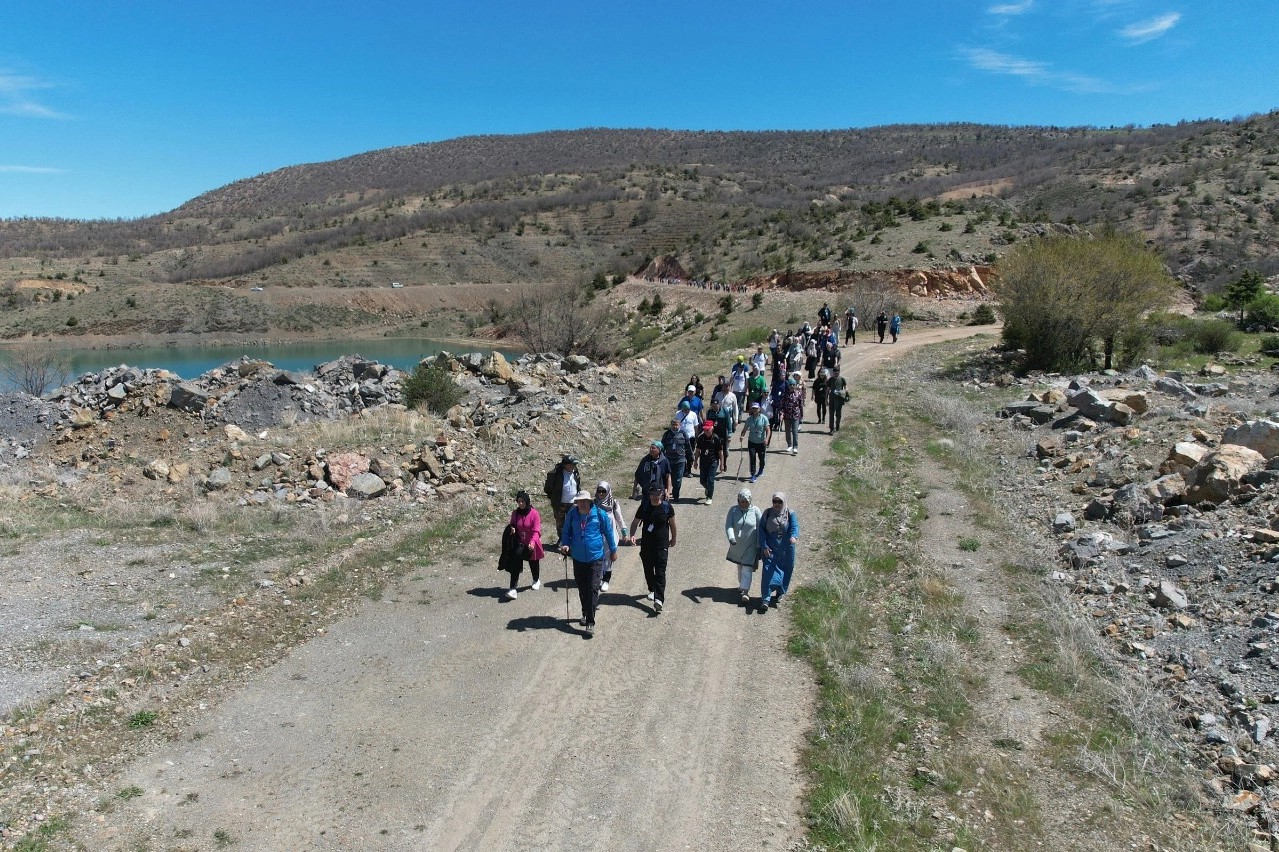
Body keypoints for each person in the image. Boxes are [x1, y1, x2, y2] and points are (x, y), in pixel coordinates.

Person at [559, 491, 618, 635]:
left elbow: (609, 532)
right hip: (578, 558)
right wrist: (565, 544)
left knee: (592, 588)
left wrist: (613, 550)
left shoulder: (599, 514)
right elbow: (566, 532)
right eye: (580, 501)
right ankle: (585, 612)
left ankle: (590, 621)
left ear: (590, 501)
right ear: (577, 502)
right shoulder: (572, 514)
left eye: (585, 501)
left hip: (596, 558)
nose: (582, 504)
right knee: (582, 588)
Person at [629, 486, 676, 614]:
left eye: (657, 494)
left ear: (661, 494)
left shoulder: (667, 507)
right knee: (648, 570)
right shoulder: (644, 507)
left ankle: (659, 599)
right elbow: (635, 523)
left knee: (660, 572)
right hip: (646, 546)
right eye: (653, 494)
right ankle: (652, 589)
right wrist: (632, 535)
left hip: (662, 545)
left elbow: (672, 524)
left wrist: (674, 539)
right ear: (649, 495)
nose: (655, 496)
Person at [501, 490, 544, 599]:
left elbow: (537, 531)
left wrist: (533, 542)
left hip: (531, 543)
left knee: (533, 563)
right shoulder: (515, 513)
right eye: (518, 501)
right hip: (519, 543)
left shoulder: (534, 514)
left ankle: (535, 579)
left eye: (522, 501)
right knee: (514, 566)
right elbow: (512, 524)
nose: (520, 504)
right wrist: (512, 529)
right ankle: (512, 589)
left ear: (527, 501)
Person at [759, 492, 799, 611]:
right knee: (768, 572)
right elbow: (761, 530)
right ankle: (765, 599)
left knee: (786, 570)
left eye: (779, 501)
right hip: (770, 549)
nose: (777, 504)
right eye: (774, 501)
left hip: (786, 549)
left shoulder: (790, 514)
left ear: (783, 502)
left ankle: (779, 592)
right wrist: (764, 546)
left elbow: (794, 527)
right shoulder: (767, 513)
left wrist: (794, 536)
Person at [725, 488, 763, 606]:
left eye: (746, 501)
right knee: (740, 566)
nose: (744, 504)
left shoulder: (756, 511)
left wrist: (759, 544)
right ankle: (742, 585)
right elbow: (728, 525)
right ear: (738, 500)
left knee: (747, 567)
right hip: (737, 545)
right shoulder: (733, 510)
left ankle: (745, 592)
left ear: (750, 500)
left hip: (751, 546)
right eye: (742, 501)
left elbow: (760, 528)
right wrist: (731, 538)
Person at [594, 481, 630, 591]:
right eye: (599, 491)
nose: (601, 494)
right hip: (597, 535)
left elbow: (619, 519)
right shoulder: (594, 503)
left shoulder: (613, 503)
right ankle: (598, 578)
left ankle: (606, 580)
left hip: (610, 536)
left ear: (608, 491)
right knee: (598, 557)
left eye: (603, 491)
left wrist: (624, 533)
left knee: (609, 559)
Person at [542, 454, 580, 545]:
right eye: (573, 464)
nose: (574, 466)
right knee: (560, 524)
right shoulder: (555, 474)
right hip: (559, 503)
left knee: (573, 522)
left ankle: (572, 540)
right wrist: (553, 496)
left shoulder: (575, 472)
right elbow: (548, 488)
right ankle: (562, 539)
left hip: (573, 503)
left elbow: (578, 485)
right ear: (566, 465)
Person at [692, 419, 727, 505]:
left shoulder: (716, 438)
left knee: (711, 480)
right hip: (703, 462)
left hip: (713, 462)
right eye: (705, 429)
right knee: (702, 480)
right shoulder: (701, 438)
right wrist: (695, 461)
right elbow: (697, 450)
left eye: (708, 429)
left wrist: (722, 464)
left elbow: (720, 452)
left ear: (712, 429)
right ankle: (708, 488)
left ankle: (709, 497)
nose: (706, 431)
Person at [739, 401, 772, 483]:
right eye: (753, 408)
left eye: (756, 408)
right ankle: (753, 474)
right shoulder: (749, 419)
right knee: (752, 458)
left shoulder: (764, 418)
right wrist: (742, 436)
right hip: (752, 442)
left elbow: (768, 430)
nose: (754, 410)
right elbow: (744, 429)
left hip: (761, 442)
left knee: (761, 458)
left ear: (759, 409)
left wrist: (767, 439)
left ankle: (761, 468)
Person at [660, 417, 689, 501]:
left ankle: (676, 496)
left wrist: (690, 459)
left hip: (680, 460)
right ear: (671, 425)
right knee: (669, 478)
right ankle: (667, 493)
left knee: (678, 480)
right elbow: (662, 447)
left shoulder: (683, 434)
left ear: (679, 425)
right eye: (673, 425)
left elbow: (688, 447)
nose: (675, 427)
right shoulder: (667, 434)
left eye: (676, 425)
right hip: (668, 460)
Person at [781, 377, 804, 455]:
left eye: (793, 384)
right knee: (787, 431)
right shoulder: (785, 394)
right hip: (787, 416)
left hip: (795, 415)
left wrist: (801, 416)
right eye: (790, 384)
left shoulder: (798, 393)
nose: (792, 386)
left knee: (795, 431)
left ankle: (795, 447)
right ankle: (789, 445)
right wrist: (781, 413)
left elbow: (801, 405)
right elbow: (782, 405)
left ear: (795, 385)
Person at [828, 366, 848, 433]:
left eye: (837, 373)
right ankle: (831, 429)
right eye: (835, 373)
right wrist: (825, 399)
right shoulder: (830, 380)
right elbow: (827, 390)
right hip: (831, 399)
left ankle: (837, 426)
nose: (836, 374)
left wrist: (844, 394)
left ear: (839, 372)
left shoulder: (842, 379)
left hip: (839, 399)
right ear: (833, 373)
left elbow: (845, 388)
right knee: (831, 414)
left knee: (838, 414)